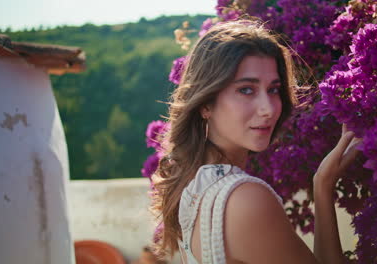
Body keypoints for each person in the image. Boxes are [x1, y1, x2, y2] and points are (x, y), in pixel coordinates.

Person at [150, 20, 361, 264]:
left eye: (273, 89)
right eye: (247, 90)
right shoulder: (245, 198)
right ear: (206, 104)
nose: (268, 109)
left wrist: (322, 184)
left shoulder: (195, 189)